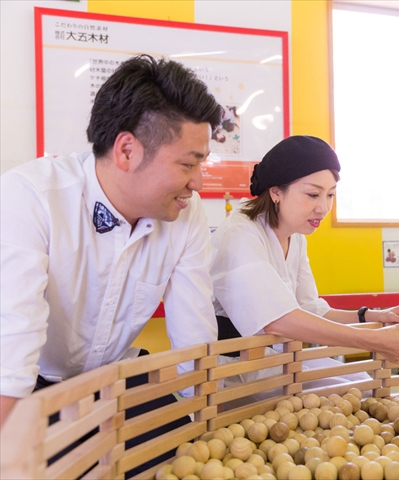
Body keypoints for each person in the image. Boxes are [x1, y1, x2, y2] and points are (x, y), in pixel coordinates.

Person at [0, 55, 221, 432]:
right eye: (188, 165)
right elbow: (11, 355)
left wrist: (205, 432)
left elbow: (194, 336)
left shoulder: (186, 214)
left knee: (176, 447)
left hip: (116, 381)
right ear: (126, 151)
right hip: (33, 385)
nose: (199, 182)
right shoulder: (29, 198)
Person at [209, 135, 399, 401]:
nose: (323, 207)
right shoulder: (240, 233)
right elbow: (278, 319)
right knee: (355, 393)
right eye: (313, 194)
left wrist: (371, 316)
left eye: (331, 195)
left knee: (361, 384)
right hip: (233, 372)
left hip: (275, 363)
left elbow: (311, 309)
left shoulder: (296, 235)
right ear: (276, 191)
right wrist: (377, 341)